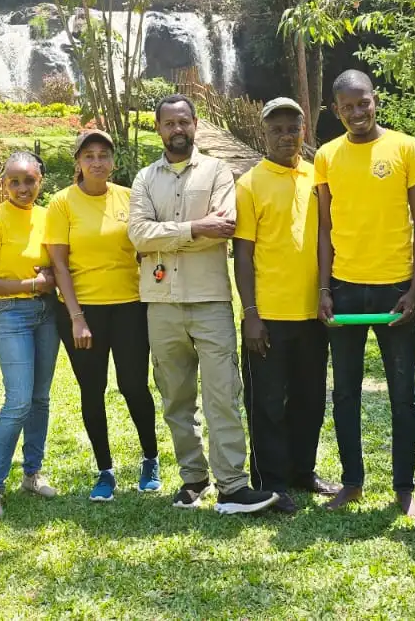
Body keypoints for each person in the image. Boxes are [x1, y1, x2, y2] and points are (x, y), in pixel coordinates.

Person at [130, 95, 279, 515]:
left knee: (222, 395)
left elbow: (224, 227)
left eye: (184, 121)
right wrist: (196, 227)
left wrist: (166, 235)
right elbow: (138, 235)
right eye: (169, 123)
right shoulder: (144, 178)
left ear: (195, 123)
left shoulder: (218, 171)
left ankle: (232, 486)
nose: (177, 129)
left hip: (210, 300)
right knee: (176, 398)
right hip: (161, 304)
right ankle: (193, 479)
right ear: (158, 128)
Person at [315, 70, 415, 517]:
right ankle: (352, 483)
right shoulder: (327, 155)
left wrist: (414, 289)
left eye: (362, 103)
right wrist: (325, 288)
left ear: (375, 99)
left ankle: (404, 488)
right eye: (347, 107)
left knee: (403, 394)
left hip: (394, 289)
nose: (357, 112)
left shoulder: (406, 148)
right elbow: (325, 228)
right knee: (344, 393)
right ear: (336, 110)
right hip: (344, 289)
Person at [235, 97, 341, 513]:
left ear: (304, 132)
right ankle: (271, 482)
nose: (285, 136)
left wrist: (325, 291)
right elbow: (242, 255)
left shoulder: (317, 177)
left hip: (312, 312)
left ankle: (302, 471)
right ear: (264, 133)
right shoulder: (249, 184)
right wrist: (251, 314)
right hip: (268, 316)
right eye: (276, 129)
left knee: (310, 399)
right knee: (266, 403)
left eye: (292, 129)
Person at [45, 130, 163, 501]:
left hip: (130, 307)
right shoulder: (62, 203)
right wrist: (77, 317)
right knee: (92, 390)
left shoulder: (129, 197)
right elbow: (59, 265)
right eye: (89, 155)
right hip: (83, 312)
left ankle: (150, 459)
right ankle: (105, 471)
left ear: (113, 161)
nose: (97, 162)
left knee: (134, 385)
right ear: (78, 162)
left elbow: (145, 249)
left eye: (104, 155)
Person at [0, 151, 60, 519]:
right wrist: (32, 284)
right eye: (14, 181)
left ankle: (32, 473)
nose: (23, 188)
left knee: (40, 399)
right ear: (4, 184)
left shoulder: (49, 216)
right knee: (18, 400)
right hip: (12, 315)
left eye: (29, 180)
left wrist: (50, 281)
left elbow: (61, 264)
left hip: (48, 314)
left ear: (40, 181)